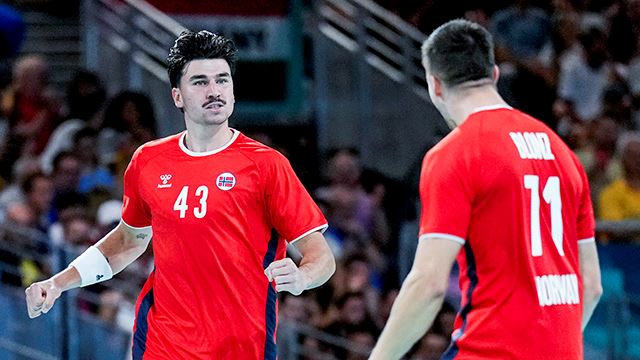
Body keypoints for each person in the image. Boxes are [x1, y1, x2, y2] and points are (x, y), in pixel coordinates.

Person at [24, 30, 336, 359]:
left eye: (223, 80)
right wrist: (58, 283)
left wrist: (301, 277)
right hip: (164, 342)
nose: (214, 91)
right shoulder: (148, 161)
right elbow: (128, 242)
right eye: (200, 81)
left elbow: (321, 257)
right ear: (177, 96)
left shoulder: (266, 165)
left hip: (242, 347)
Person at [370, 19, 602, 359]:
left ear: (435, 85)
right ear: (494, 74)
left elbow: (429, 285)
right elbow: (591, 286)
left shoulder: (456, 152)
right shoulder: (562, 152)